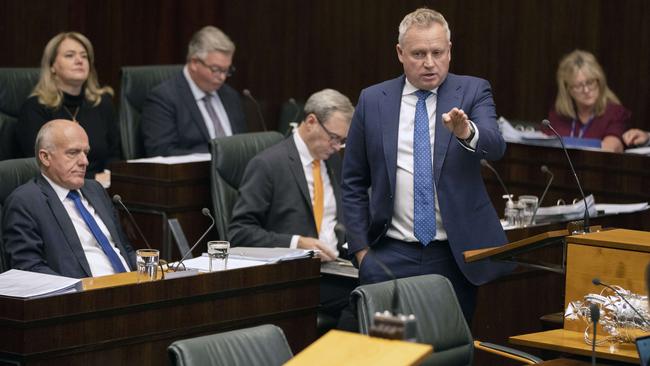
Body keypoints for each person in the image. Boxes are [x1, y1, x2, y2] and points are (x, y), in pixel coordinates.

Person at [341, 8, 514, 323]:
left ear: (450, 50)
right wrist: (361, 252)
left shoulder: (474, 90)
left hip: (452, 255)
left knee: (446, 350)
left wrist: (467, 132)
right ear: (400, 53)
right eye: (419, 53)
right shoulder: (372, 100)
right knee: (388, 347)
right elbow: (353, 180)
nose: (430, 62)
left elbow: (496, 145)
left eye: (437, 52)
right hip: (388, 255)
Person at [228, 89, 355, 329]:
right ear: (310, 122)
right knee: (365, 297)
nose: (338, 146)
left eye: (343, 140)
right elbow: (239, 233)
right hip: (292, 275)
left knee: (386, 287)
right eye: (334, 138)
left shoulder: (332, 161)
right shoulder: (268, 165)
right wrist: (298, 243)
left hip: (335, 267)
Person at [2, 120, 136, 278]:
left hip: (130, 289)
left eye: (86, 153)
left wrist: (155, 267)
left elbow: (123, 248)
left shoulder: (96, 190)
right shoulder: (25, 202)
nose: (84, 161)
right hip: (82, 297)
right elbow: (29, 268)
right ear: (45, 157)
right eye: (73, 153)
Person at [16, 32, 120, 182]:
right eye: (70, 55)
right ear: (52, 66)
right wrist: (94, 179)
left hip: (103, 190)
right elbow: (41, 165)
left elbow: (114, 156)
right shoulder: (35, 108)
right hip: (56, 191)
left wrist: (111, 177)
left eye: (84, 56)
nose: (79, 61)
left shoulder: (102, 103)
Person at [141, 26, 247, 157]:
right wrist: (216, 157)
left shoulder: (230, 95)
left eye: (226, 70)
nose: (222, 77)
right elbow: (162, 152)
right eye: (215, 69)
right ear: (194, 63)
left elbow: (243, 144)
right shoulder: (163, 98)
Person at [546, 49, 630, 153]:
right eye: (578, 86)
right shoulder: (558, 115)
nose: (586, 90)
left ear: (599, 81)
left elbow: (611, 149)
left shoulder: (615, 113)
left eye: (590, 82)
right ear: (567, 90)